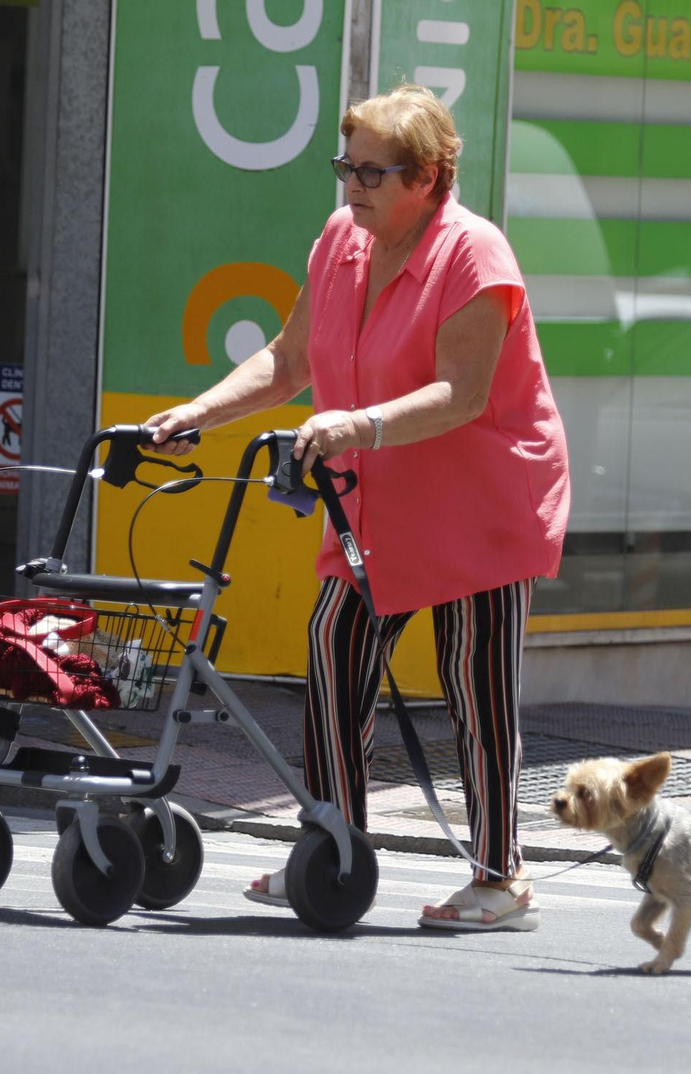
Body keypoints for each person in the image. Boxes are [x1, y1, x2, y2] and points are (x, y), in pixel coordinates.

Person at [146, 84, 569, 931]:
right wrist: (199, 412)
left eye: (373, 170)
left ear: (430, 176)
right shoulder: (341, 241)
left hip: (478, 505)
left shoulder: (474, 256)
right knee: (334, 653)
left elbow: (462, 393)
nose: (353, 184)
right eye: (347, 164)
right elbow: (289, 356)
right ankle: (331, 848)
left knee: (475, 689)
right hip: (374, 500)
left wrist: (359, 422)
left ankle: (501, 878)